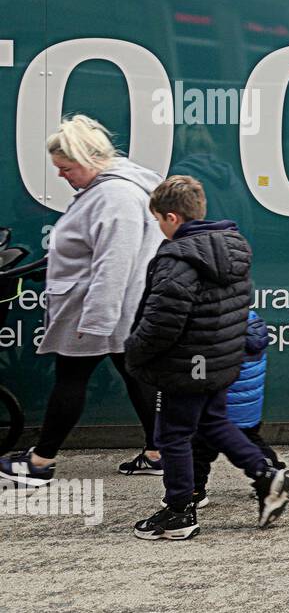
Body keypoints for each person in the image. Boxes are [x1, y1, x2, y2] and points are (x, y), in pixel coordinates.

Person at [124, 176, 289, 540]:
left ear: (172, 217)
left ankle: (179, 513)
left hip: (186, 363)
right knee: (214, 423)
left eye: (158, 220)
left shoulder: (177, 258)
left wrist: (135, 350)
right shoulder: (231, 247)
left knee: (173, 435)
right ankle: (266, 475)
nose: (159, 228)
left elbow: (163, 322)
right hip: (219, 359)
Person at [0, 116, 163, 488]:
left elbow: (114, 264)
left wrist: (95, 321)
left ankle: (40, 462)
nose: (60, 175)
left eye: (66, 168)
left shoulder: (114, 196)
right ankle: (160, 453)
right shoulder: (115, 188)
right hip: (118, 310)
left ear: (88, 159)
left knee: (71, 379)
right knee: (136, 377)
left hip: (98, 309)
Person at [187, 309, 284, 508]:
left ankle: (194, 492)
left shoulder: (217, 328)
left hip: (224, 408)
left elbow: (206, 369)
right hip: (248, 407)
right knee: (252, 442)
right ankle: (276, 474)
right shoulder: (251, 320)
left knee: (198, 450)